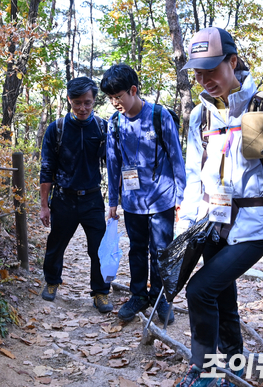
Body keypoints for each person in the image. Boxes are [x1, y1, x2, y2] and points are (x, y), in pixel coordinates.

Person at [167, 27, 263, 387]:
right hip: (214, 222)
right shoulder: (200, 117)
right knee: (222, 295)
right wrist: (185, 225)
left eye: (211, 69)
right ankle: (234, 364)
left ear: (232, 61)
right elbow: (194, 177)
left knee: (200, 289)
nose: (204, 80)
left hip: (256, 226)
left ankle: (203, 368)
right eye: (197, 72)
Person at [100, 64, 186, 324]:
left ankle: (160, 299)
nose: (115, 102)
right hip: (133, 201)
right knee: (137, 250)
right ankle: (138, 295)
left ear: (133, 90)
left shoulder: (159, 116)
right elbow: (113, 163)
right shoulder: (114, 123)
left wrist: (181, 198)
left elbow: (176, 158)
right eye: (111, 98)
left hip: (162, 199)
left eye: (119, 96)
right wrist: (112, 202)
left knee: (161, 251)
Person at [39, 77, 113, 314]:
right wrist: (44, 205)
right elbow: (46, 168)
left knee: (98, 248)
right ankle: (52, 281)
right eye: (78, 102)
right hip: (63, 198)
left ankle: (100, 292)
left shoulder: (102, 128)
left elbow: (113, 164)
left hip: (92, 198)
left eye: (88, 103)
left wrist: (115, 201)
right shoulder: (56, 129)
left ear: (94, 101)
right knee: (56, 244)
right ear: (69, 99)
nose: (83, 108)